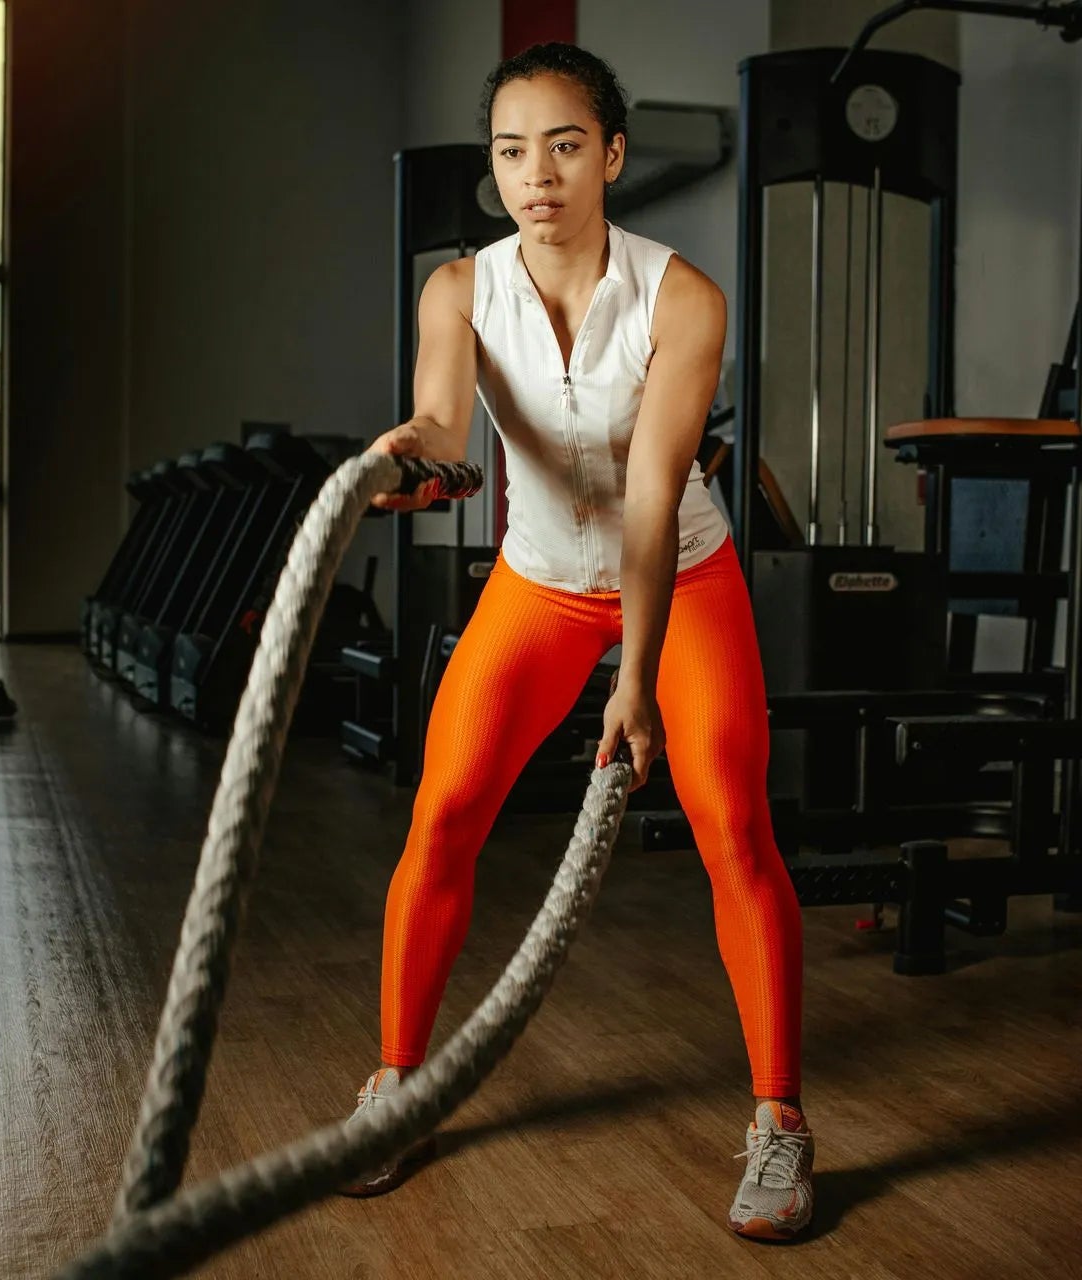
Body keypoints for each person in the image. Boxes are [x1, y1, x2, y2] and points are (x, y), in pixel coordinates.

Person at [341, 43, 812, 1242]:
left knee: (734, 830)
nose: (536, 175)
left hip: (684, 575)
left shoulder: (683, 296)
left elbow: (654, 496)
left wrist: (637, 681)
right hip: (540, 581)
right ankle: (398, 1083)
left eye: (562, 145)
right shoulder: (460, 289)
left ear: (610, 154)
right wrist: (418, 453)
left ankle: (780, 1119)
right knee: (442, 811)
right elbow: (448, 415)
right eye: (511, 151)